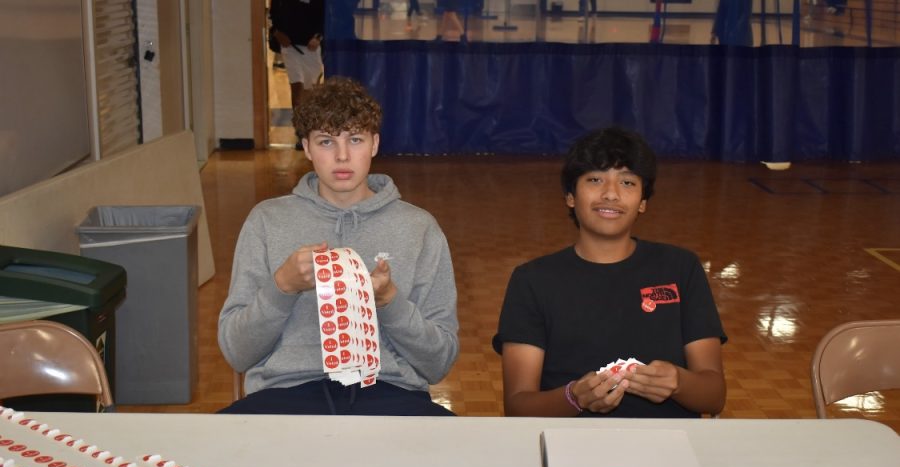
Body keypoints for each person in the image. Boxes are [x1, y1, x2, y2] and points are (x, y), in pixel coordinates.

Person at [218, 77, 459, 416]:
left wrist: (389, 301)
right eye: (327, 141)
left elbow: (439, 363)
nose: (343, 156)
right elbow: (237, 353)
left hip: (391, 394)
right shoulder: (266, 221)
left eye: (356, 139)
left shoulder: (419, 228)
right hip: (285, 394)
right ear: (306, 147)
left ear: (375, 144)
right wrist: (282, 287)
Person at [493, 127, 727, 419]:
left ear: (643, 201)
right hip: (572, 446)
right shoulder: (532, 280)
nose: (611, 194)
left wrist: (679, 383)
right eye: (594, 179)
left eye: (628, 182)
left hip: (668, 446)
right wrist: (574, 397)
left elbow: (714, 396)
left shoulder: (681, 268)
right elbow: (518, 407)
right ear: (570, 196)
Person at [270, 0, 326, 149]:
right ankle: (301, 133)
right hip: (290, 47)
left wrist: (318, 37)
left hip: (312, 48)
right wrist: (277, 33)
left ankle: (313, 129)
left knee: (312, 91)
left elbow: (325, 17)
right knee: (297, 87)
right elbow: (273, 18)